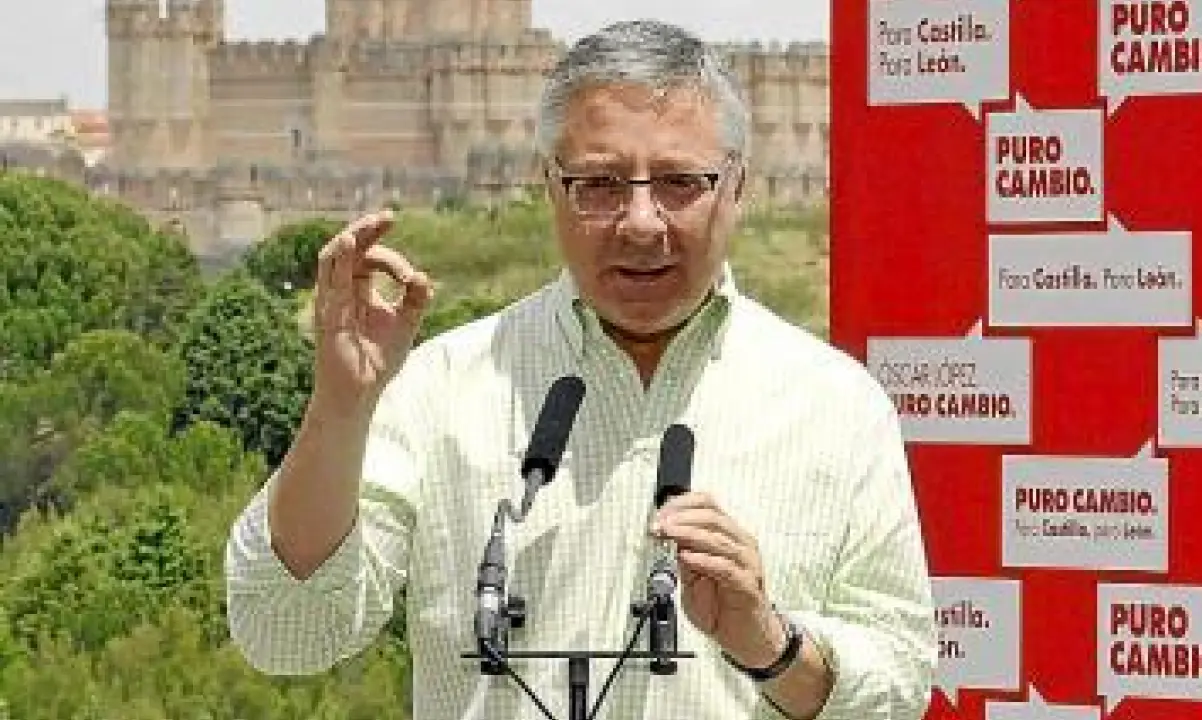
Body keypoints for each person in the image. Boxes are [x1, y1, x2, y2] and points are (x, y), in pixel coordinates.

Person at [225, 19, 936, 720]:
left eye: (680, 183)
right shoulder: (445, 386)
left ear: (739, 187)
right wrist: (341, 407)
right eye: (598, 185)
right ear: (549, 187)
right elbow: (286, 632)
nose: (641, 222)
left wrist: (774, 647)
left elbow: (901, 683)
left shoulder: (835, 404)